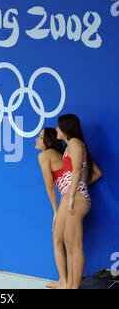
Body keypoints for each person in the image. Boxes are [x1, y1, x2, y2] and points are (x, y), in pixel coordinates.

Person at [55, 114, 102, 289]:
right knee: (69, 242)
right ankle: (70, 286)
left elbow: (76, 171)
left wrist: (72, 195)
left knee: (74, 245)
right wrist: (79, 187)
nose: (57, 130)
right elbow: (97, 173)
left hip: (76, 199)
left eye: (59, 127)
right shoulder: (75, 146)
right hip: (74, 197)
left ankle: (74, 287)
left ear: (66, 128)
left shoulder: (74, 143)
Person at [36, 127, 65, 289]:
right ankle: (67, 281)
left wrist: (56, 211)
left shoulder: (44, 155)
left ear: (48, 141)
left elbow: (49, 186)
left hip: (66, 202)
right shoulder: (60, 155)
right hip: (73, 199)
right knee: (67, 242)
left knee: (58, 241)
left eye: (40, 137)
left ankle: (64, 281)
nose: (36, 140)